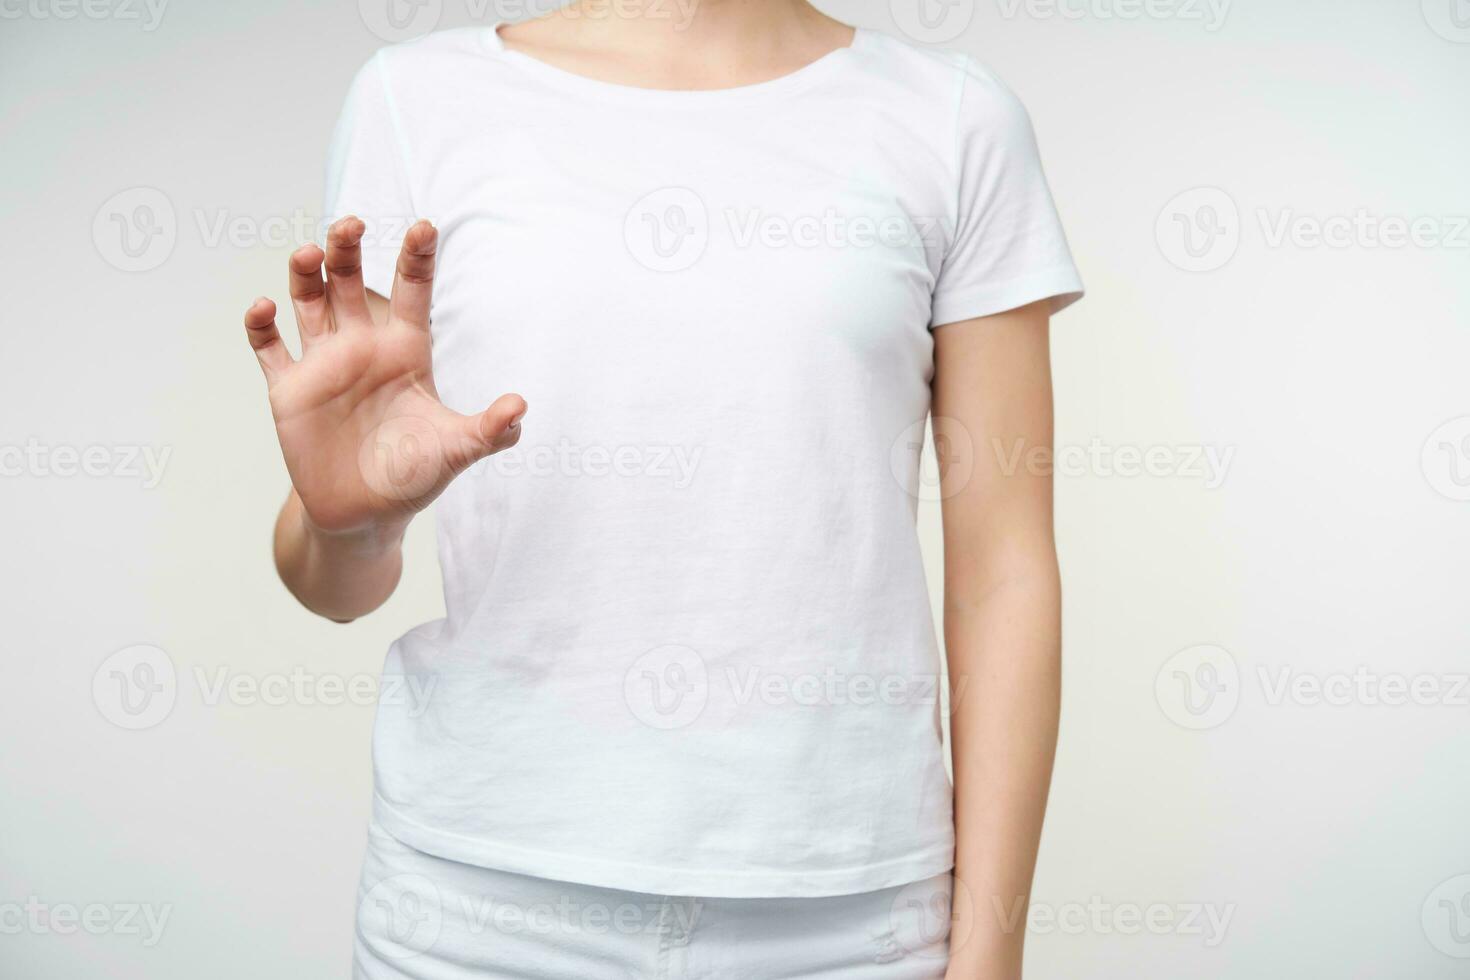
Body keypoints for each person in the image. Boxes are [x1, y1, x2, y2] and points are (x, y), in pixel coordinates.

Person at [241, 2, 1083, 976]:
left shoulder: (953, 118)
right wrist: (352, 524)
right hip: (479, 909)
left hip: (851, 919)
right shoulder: (414, 100)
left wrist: (992, 952)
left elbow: (1005, 571)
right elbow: (331, 582)